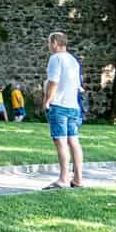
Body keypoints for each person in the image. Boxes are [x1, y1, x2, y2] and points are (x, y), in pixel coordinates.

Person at [42, 31, 84, 189]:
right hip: (73, 106)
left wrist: (47, 100)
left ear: (54, 43)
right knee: (74, 141)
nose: (48, 47)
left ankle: (63, 178)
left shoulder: (55, 58)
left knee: (60, 141)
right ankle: (78, 179)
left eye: (49, 43)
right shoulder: (74, 60)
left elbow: (53, 81)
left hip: (59, 105)